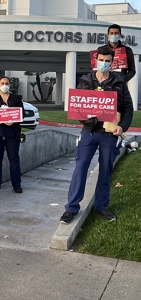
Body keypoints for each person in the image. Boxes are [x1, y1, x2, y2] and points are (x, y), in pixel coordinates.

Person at [60, 47, 133, 224]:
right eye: (102, 60)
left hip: (109, 134)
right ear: (96, 60)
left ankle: (102, 207)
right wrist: (83, 116)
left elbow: (128, 108)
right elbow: (77, 107)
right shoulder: (85, 81)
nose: (104, 63)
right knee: (80, 168)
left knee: (105, 172)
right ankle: (71, 209)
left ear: (112, 62)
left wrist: (122, 127)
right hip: (89, 132)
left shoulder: (119, 82)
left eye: (108, 61)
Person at [0, 76, 24, 194]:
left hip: (12, 134)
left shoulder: (16, 99)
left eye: (7, 83)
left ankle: (17, 185)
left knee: (14, 159)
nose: (4, 85)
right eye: (2, 83)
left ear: (10, 85)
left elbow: (22, 114)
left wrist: (14, 120)